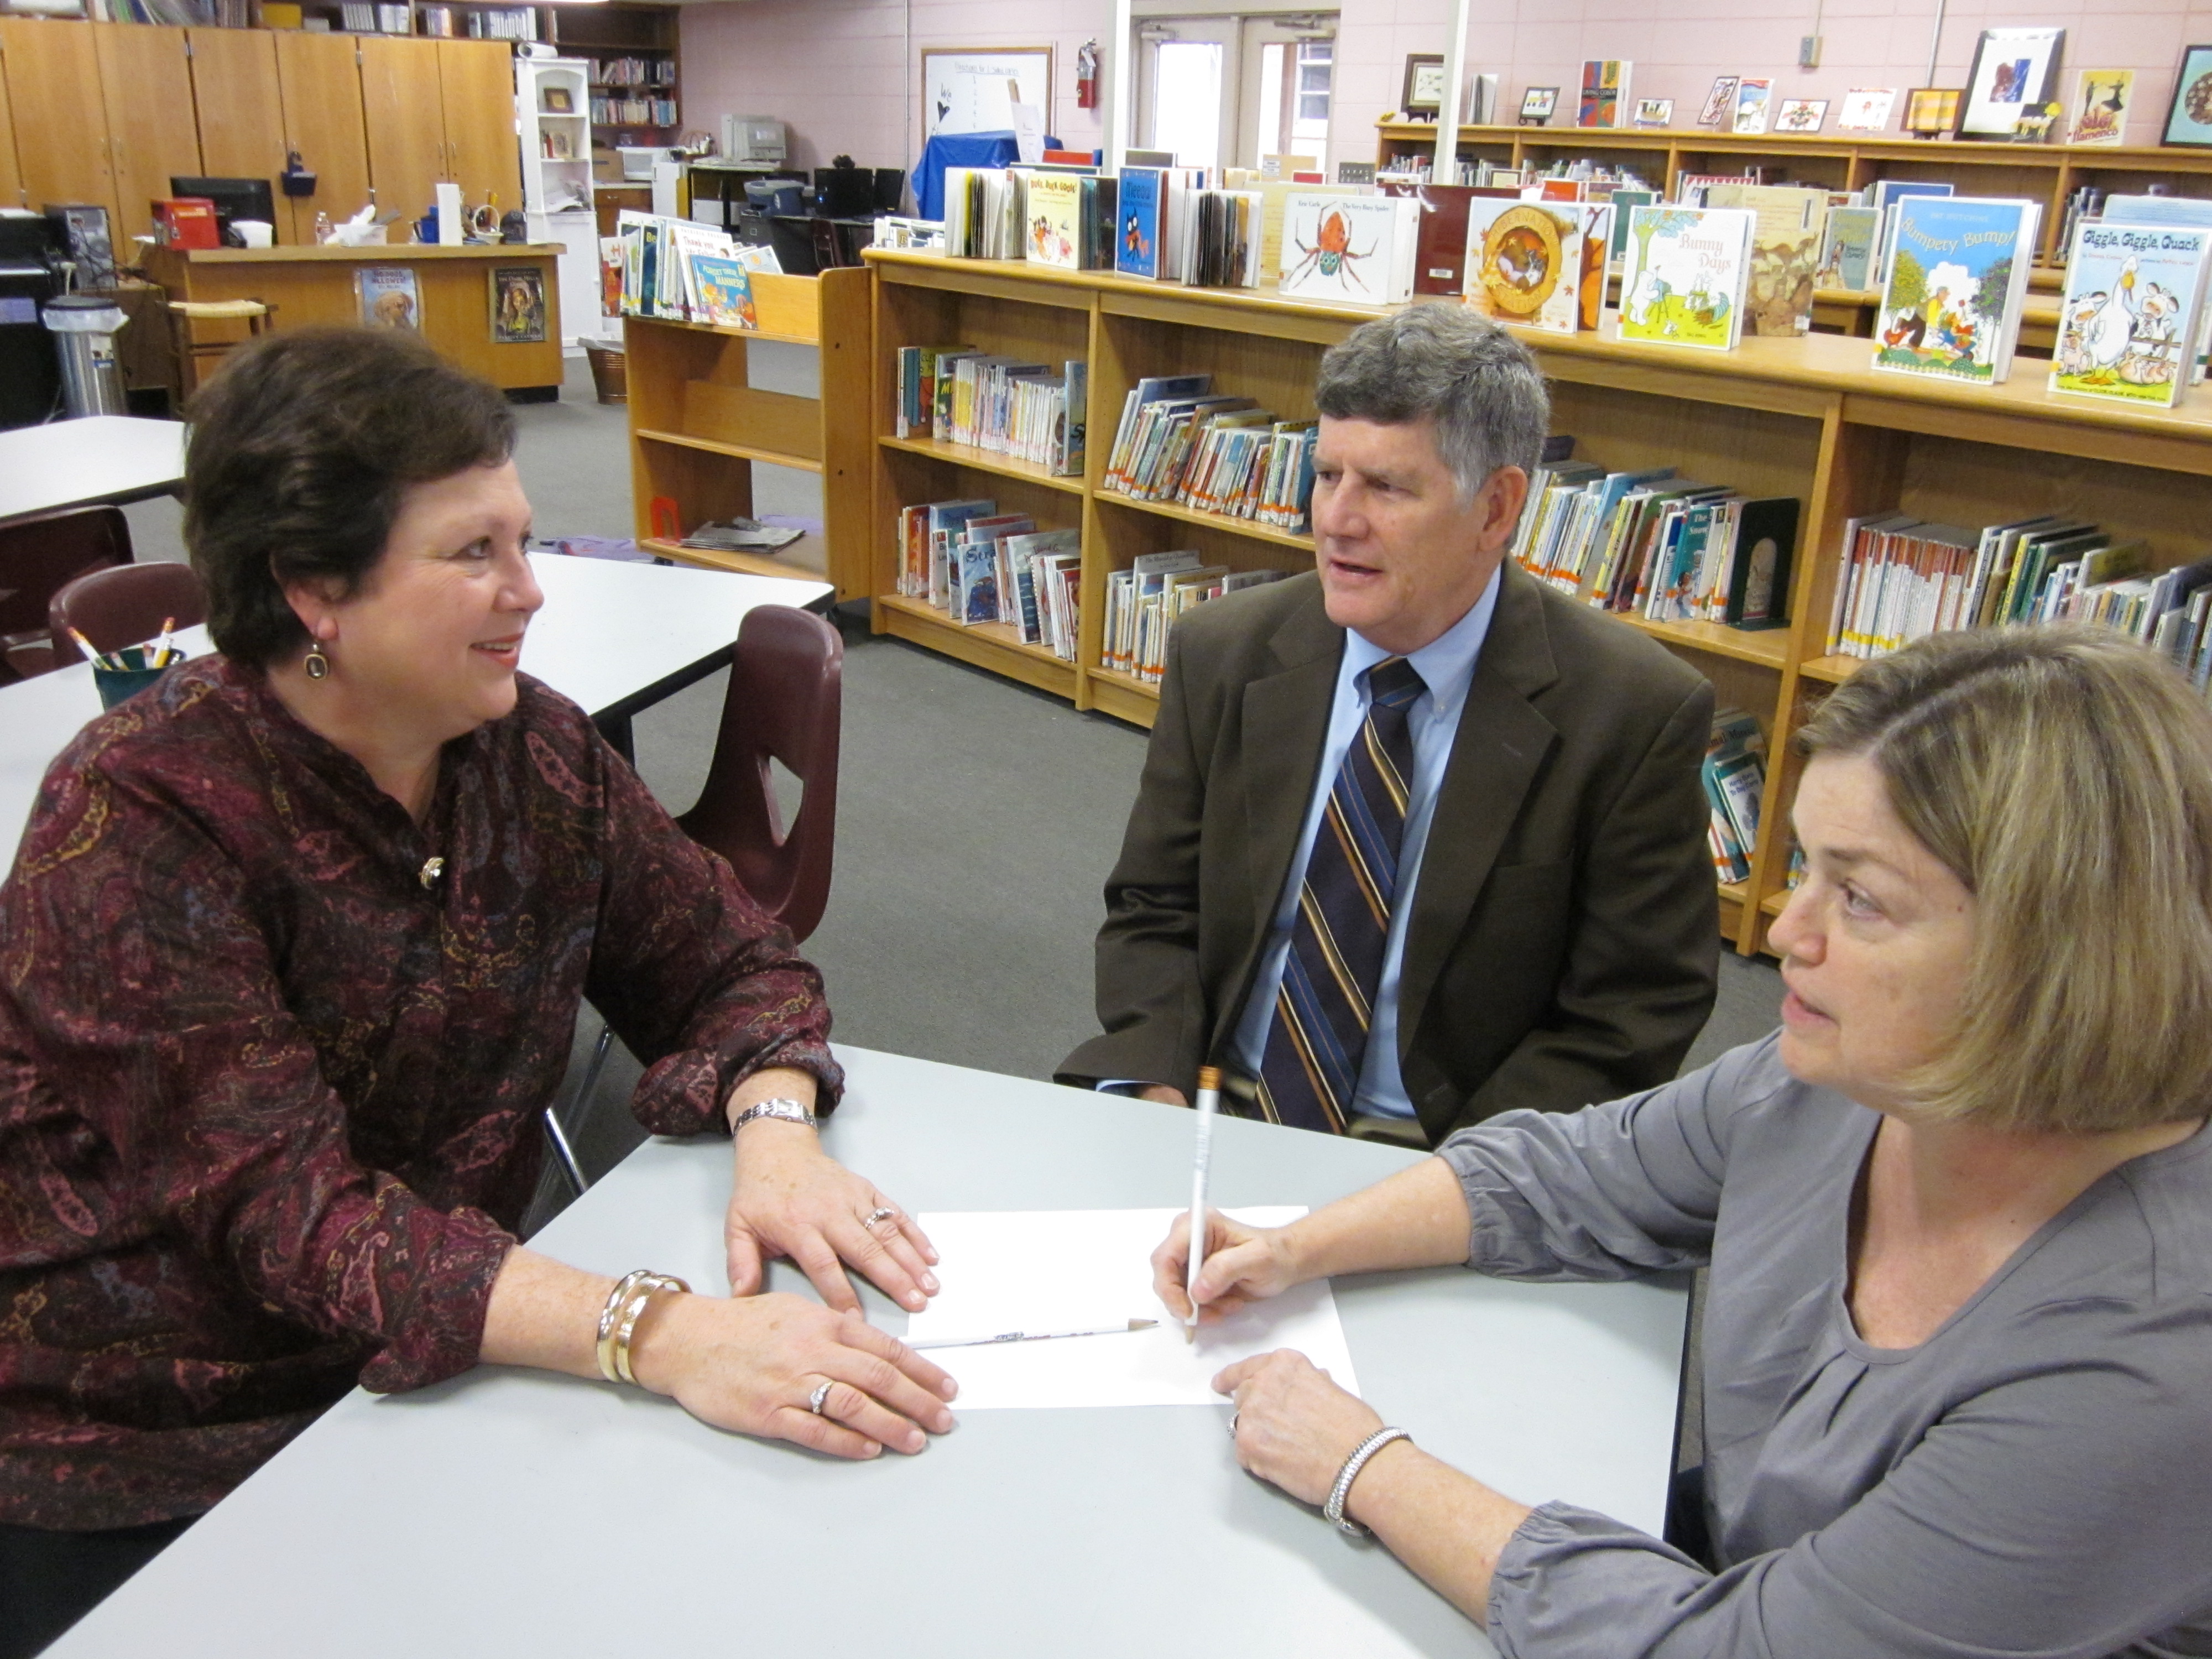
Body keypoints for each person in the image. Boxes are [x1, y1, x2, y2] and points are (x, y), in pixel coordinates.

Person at [0, 328, 956, 1657]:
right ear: (313, 590)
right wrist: (656, 1332)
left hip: (450, 1358)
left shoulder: (527, 750)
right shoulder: (141, 817)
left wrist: (776, 1133)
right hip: (163, 1438)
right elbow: (295, 1226)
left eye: (522, 540)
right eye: (473, 554)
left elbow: (736, 964)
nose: (530, 592)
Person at [1152, 623, 2212, 1655]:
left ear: (2059, 956)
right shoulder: (1847, 1085)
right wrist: (1297, 1247)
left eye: (1862, 900)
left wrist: (1364, 1464)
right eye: (1803, 869)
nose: (1788, 935)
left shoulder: (2146, 1369)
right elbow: (1572, 1173)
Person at [1058, 306, 1718, 1146]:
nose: (1335, 520)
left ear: (1497, 508)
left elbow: (1632, 1012)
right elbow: (1155, 907)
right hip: (1218, 1109)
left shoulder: (1631, 712)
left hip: (1449, 1146)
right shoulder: (1224, 653)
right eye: (1328, 475)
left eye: (1387, 487)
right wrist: (1159, 1090)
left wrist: (1449, 1187)